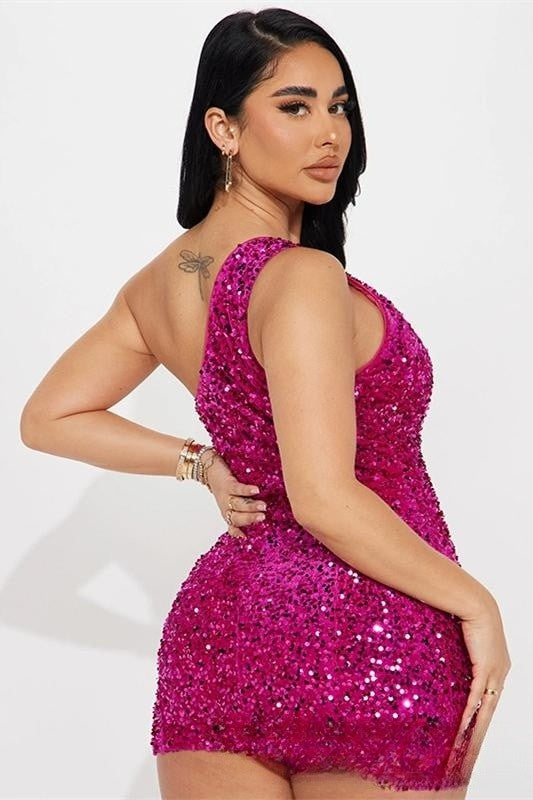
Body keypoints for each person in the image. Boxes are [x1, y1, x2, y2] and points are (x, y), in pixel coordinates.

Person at [20, 8, 511, 800]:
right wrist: (475, 604)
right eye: (294, 106)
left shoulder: (158, 284)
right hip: (372, 634)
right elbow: (322, 497)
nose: (329, 134)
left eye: (338, 106)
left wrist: (201, 463)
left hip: (223, 647)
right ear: (223, 128)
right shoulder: (300, 275)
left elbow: (50, 417)